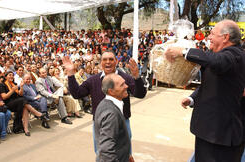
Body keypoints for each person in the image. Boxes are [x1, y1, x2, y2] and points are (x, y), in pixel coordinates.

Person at [165, 20, 245, 162]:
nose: (208, 37)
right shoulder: (219, 56)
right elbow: (212, 83)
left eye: (212, 34)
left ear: (225, 37)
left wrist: (183, 51)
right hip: (208, 132)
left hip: (221, 136)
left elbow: (216, 62)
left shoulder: (235, 55)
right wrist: (192, 99)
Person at [63, 50, 147, 160]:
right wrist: (70, 73)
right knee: (103, 153)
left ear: (116, 61)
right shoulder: (93, 80)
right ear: (101, 62)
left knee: (124, 154)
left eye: (111, 59)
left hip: (122, 122)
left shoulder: (125, 78)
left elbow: (140, 94)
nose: (108, 62)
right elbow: (77, 93)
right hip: (100, 124)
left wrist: (136, 77)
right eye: (105, 59)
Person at [95, 73, 131, 162]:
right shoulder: (111, 113)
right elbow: (106, 150)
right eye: (122, 85)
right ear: (111, 91)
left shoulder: (106, 104)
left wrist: (127, 156)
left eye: (125, 83)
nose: (126, 86)